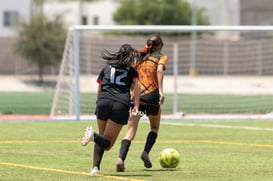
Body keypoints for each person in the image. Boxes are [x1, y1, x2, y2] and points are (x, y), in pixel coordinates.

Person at [81, 44, 140, 175]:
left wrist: (99, 102)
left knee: (102, 137)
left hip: (103, 101)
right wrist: (136, 106)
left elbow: (99, 88)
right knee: (108, 144)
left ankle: (95, 168)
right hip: (120, 104)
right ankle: (92, 135)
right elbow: (136, 87)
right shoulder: (131, 70)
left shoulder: (106, 67)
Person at [116, 34, 168, 172]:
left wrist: (132, 93)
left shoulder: (138, 57)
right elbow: (159, 70)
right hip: (152, 99)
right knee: (154, 128)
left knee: (130, 132)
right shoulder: (161, 57)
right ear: (159, 46)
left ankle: (121, 159)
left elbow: (132, 77)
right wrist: (161, 92)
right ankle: (145, 152)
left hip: (137, 100)